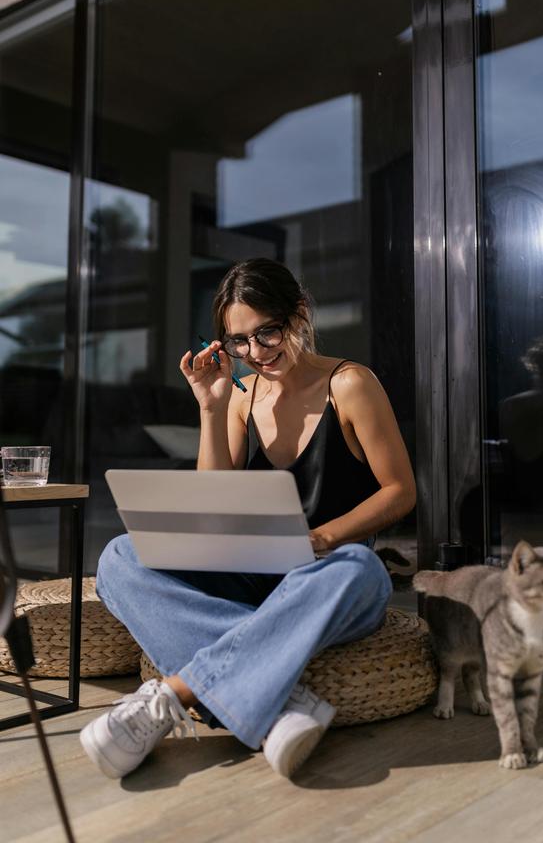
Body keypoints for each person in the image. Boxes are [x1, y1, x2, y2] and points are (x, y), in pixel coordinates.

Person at [80, 258, 416, 780]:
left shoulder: (350, 384)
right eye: (240, 341)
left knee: (364, 569)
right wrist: (211, 409)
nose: (256, 353)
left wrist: (321, 537)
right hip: (250, 579)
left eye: (267, 332)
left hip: (323, 580)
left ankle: (178, 694)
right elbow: (212, 503)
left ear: (298, 314)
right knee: (118, 557)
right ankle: (282, 706)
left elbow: (400, 492)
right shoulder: (240, 398)